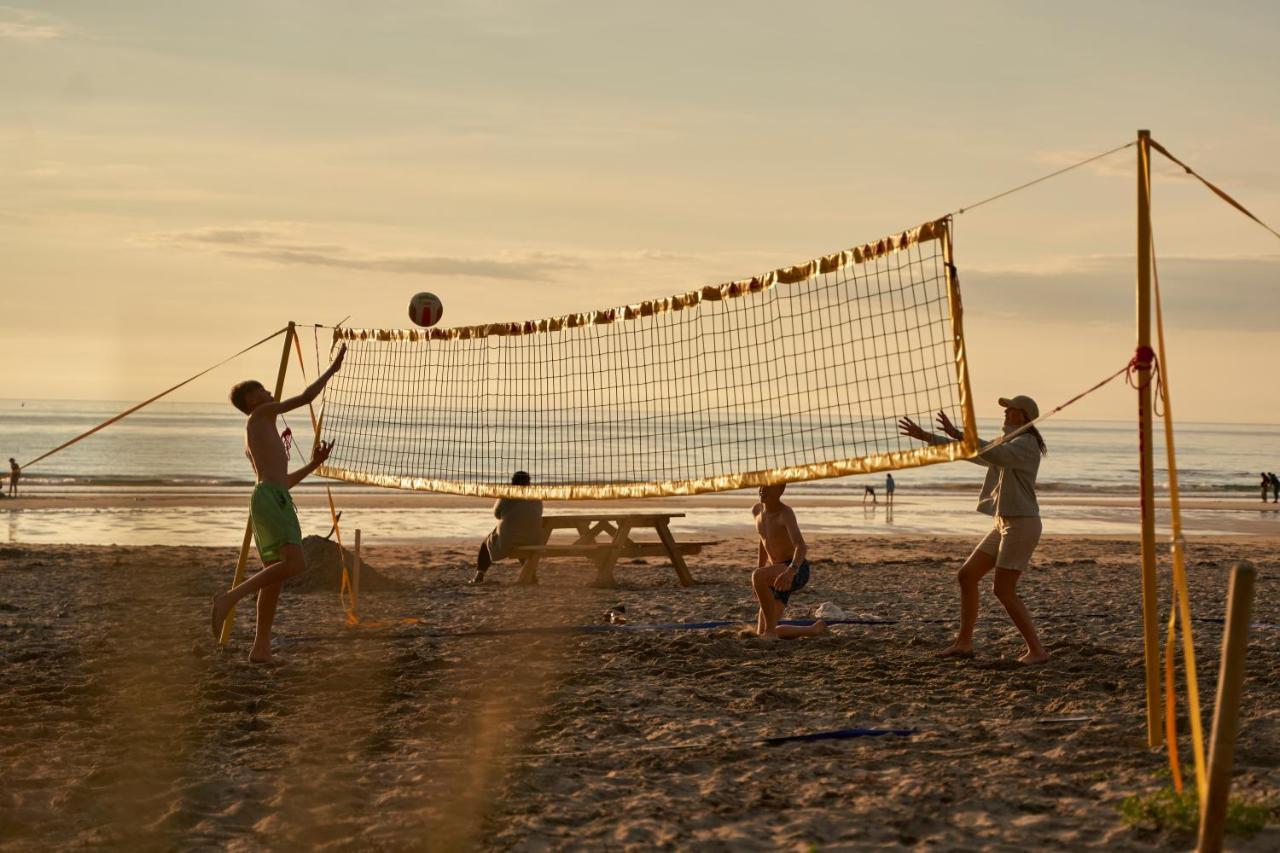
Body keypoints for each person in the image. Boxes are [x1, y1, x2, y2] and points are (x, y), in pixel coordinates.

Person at [209, 344, 347, 663]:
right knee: (295, 564)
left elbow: (282, 481)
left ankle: (260, 649)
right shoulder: (260, 415)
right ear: (251, 400)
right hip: (271, 499)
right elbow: (305, 398)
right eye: (263, 390)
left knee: (275, 576)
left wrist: (315, 464)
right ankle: (229, 598)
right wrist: (332, 370)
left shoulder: (260, 428)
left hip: (271, 496)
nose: (270, 392)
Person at [898, 395, 1050, 665]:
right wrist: (929, 437)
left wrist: (959, 432)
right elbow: (974, 452)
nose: (1006, 413)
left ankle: (1036, 651)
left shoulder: (1025, 444)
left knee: (1003, 590)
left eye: (1011, 409)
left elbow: (988, 452)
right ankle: (964, 643)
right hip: (1004, 522)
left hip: (1022, 523)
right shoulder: (1009, 442)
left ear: (1023, 416)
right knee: (967, 576)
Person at [750, 483, 828, 639]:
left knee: (758, 576)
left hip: (795, 567)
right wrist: (759, 577)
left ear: (780, 490)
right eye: (761, 485)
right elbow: (763, 540)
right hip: (775, 573)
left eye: (768, 486)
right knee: (761, 632)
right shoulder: (757, 510)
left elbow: (801, 546)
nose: (762, 489)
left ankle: (770, 632)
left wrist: (790, 571)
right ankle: (813, 629)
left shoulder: (785, 513)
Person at [470, 471, 543, 585]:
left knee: (486, 544)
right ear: (528, 483)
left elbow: (497, 514)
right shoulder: (537, 495)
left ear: (513, 482)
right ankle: (531, 576)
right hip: (533, 537)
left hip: (510, 537)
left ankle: (479, 576)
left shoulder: (507, 493)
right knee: (523, 543)